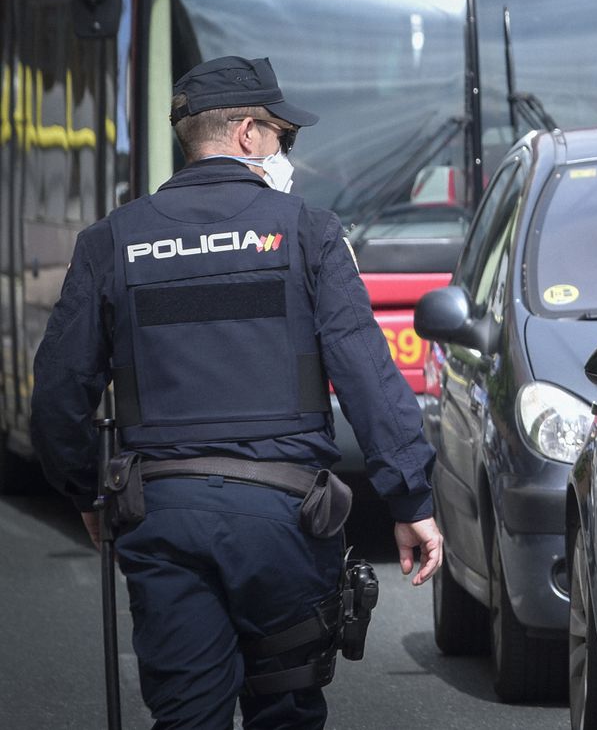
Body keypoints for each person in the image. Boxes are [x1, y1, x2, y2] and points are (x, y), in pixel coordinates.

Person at [29, 56, 443, 729]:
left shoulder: (113, 242)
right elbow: (368, 376)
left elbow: (56, 396)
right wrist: (410, 497)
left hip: (163, 518)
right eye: (283, 135)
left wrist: (88, 492)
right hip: (283, 520)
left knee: (188, 715)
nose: (286, 151)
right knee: (285, 710)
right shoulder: (308, 232)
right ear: (248, 134)